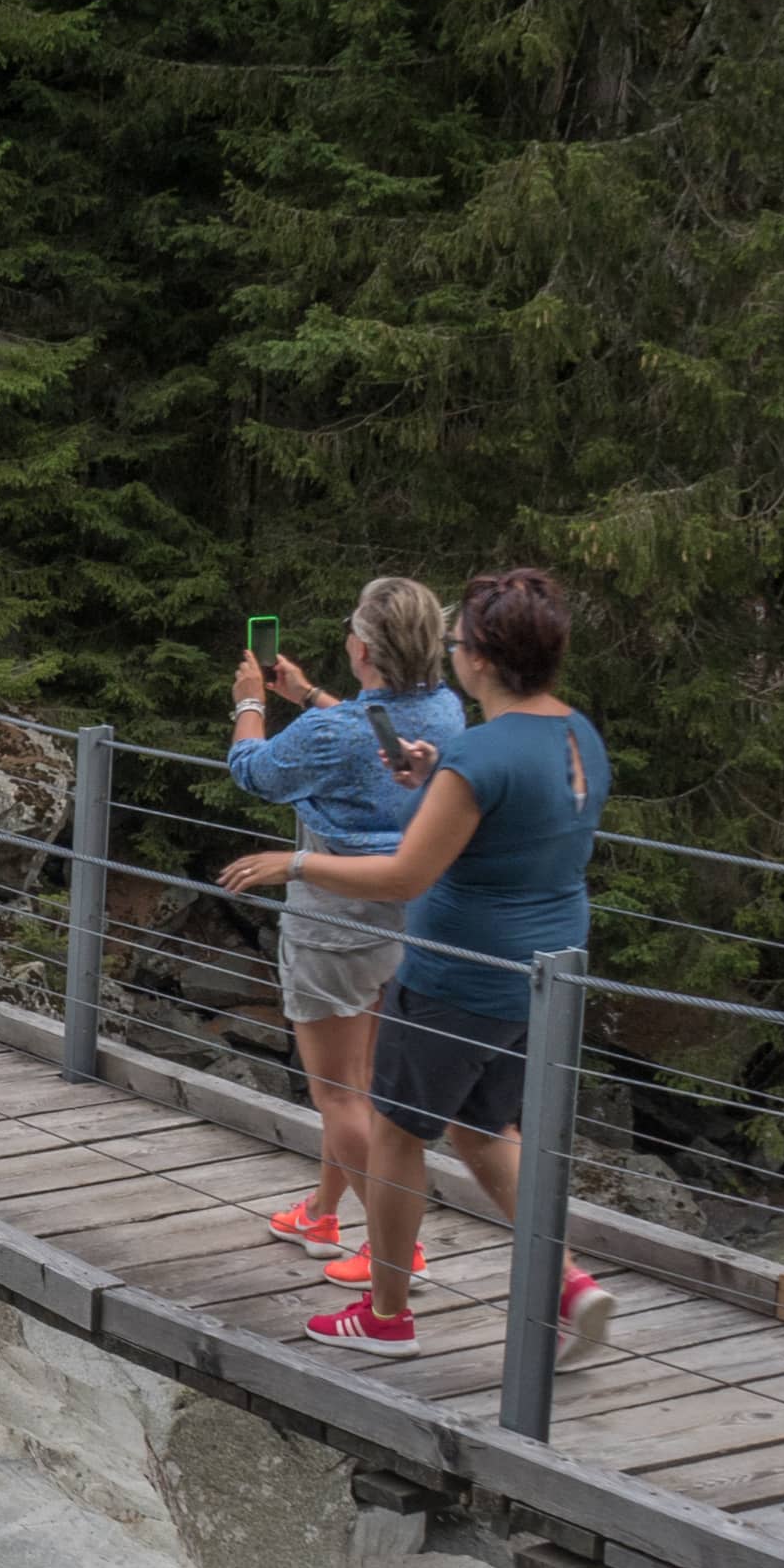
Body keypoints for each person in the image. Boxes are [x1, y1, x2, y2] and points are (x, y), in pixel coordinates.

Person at [218, 567, 615, 1365]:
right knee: (482, 1128)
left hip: (456, 970)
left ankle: (388, 1314)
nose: (456, 651)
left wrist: (291, 866)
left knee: (397, 1130)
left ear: (483, 660)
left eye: (463, 640)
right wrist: (434, 768)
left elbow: (406, 876)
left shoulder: (480, 755)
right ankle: (568, 1284)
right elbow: (510, 804)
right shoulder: (573, 733)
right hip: (543, 964)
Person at [224, 579, 468, 1294]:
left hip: (336, 919)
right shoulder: (446, 710)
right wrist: (308, 694)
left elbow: (254, 772)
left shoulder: (335, 733)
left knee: (336, 1092)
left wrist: (250, 701)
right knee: (358, 1085)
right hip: (408, 913)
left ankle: (399, 1253)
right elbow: (376, 737)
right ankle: (324, 1215)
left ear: (361, 647)